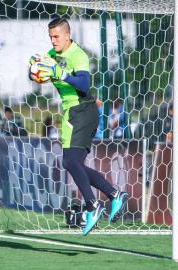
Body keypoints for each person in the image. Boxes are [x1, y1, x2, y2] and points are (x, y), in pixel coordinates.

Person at [30, 18, 129, 235]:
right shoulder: (53, 54)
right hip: (70, 114)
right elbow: (41, 66)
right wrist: (35, 67)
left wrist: (61, 74)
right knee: (72, 164)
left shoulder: (78, 55)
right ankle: (114, 194)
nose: (53, 41)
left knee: (70, 161)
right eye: (51, 37)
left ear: (67, 35)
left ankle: (93, 205)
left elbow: (84, 84)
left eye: (56, 36)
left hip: (83, 109)